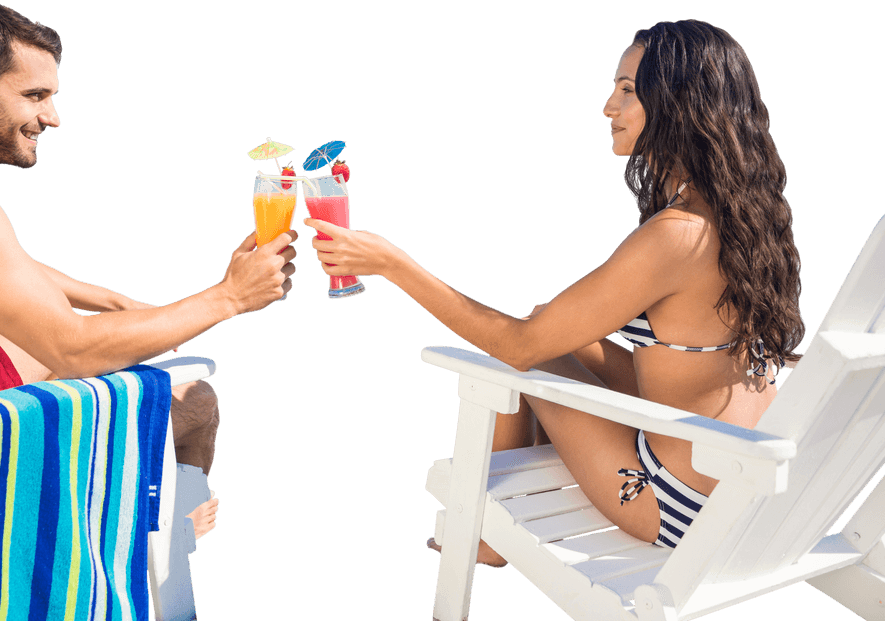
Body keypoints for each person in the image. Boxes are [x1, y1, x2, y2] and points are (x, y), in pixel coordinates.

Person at [0, 2, 296, 561]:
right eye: (35, 95)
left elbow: (5, 265)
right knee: (194, 400)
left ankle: (153, 525)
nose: (53, 117)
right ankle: (161, 549)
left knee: (30, 341)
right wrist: (229, 297)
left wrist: (116, 303)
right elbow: (74, 349)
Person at [304, 19, 803, 564]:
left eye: (628, 90)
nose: (608, 107)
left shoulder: (676, 235)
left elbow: (517, 346)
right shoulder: (742, 215)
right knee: (556, 331)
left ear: (680, 106)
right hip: (744, 482)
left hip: (680, 503)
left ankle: (487, 537)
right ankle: (502, 524)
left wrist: (393, 264)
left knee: (518, 356)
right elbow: (684, 367)